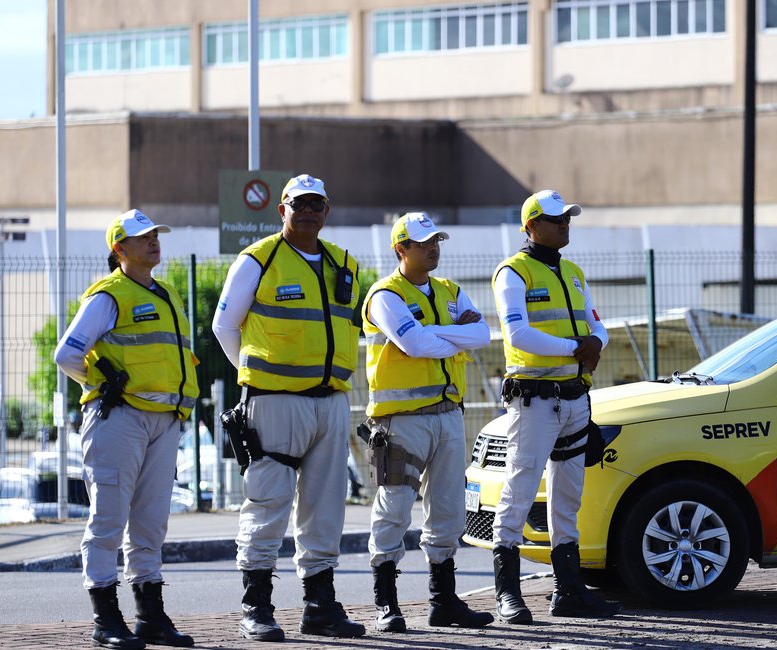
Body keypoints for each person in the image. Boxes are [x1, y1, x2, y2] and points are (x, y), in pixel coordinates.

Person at [212, 173, 366, 641]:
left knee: (325, 509)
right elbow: (225, 327)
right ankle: (255, 606)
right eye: (298, 204)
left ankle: (320, 606)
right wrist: (254, 376)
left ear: (327, 210)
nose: (307, 211)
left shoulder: (345, 263)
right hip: (274, 404)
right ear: (281, 211)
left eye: (316, 204)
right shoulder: (258, 260)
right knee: (267, 502)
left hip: (331, 402)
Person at [55, 209, 200, 650]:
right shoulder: (108, 295)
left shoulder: (169, 293)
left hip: (165, 420)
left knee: (151, 523)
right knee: (108, 521)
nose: (153, 242)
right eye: (142, 237)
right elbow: (67, 355)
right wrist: (99, 383)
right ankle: (106, 618)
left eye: (155, 235)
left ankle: (150, 616)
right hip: (120, 418)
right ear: (119, 249)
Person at [489, 189, 621, 623]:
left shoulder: (574, 272)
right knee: (520, 489)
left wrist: (594, 343)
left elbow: (596, 324)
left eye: (567, 218)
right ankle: (507, 593)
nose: (564, 224)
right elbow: (517, 336)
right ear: (530, 226)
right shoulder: (513, 272)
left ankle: (569, 590)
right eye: (554, 219)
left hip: (573, 398)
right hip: (534, 400)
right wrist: (577, 349)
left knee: (568, 496)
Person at [361, 213, 494, 633]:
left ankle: (444, 602)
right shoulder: (384, 295)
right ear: (401, 249)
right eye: (423, 243)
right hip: (401, 423)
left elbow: (483, 336)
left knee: (449, 511)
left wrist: (433, 332)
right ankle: (387, 603)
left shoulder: (451, 291)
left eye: (436, 240)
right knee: (394, 508)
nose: (433, 248)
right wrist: (450, 333)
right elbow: (412, 343)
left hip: (449, 416)